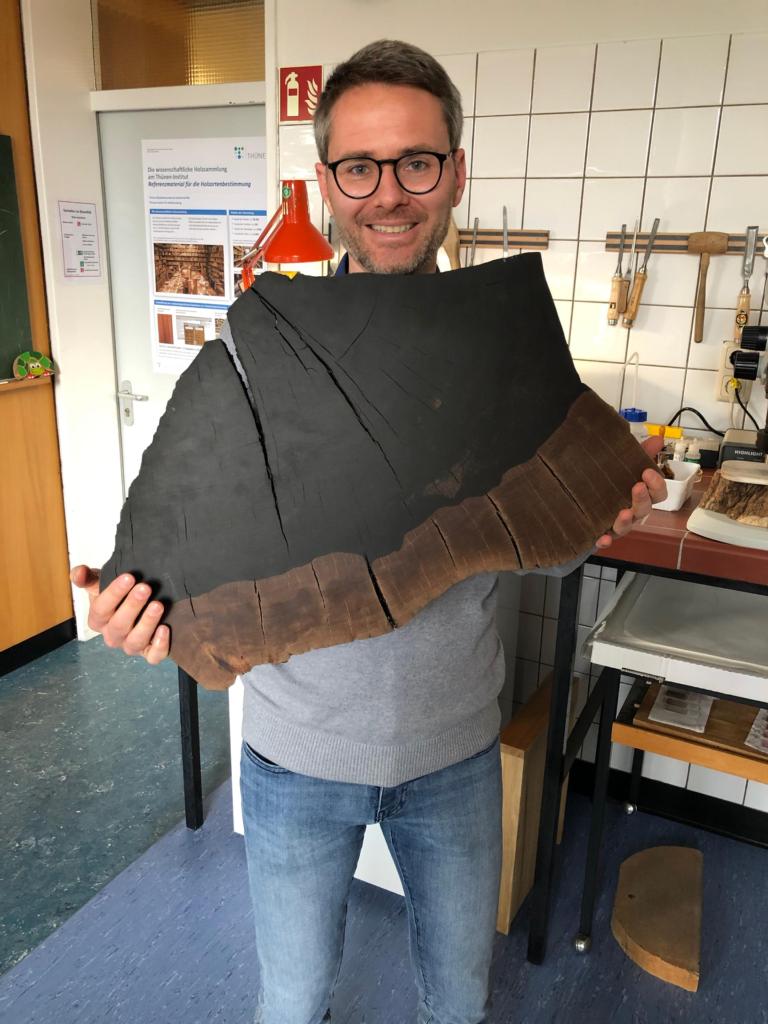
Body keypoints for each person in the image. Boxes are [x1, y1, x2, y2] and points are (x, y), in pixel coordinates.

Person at [72, 40, 666, 1024]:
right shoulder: (262, 346)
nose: (389, 194)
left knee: (458, 1004)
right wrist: (141, 615)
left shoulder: (501, 346)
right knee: (293, 1001)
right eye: (360, 167)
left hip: (455, 759)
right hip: (295, 762)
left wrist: (599, 509)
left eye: (416, 163)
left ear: (456, 171)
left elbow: (546, 545)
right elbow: (185, 551)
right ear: (327, 182)